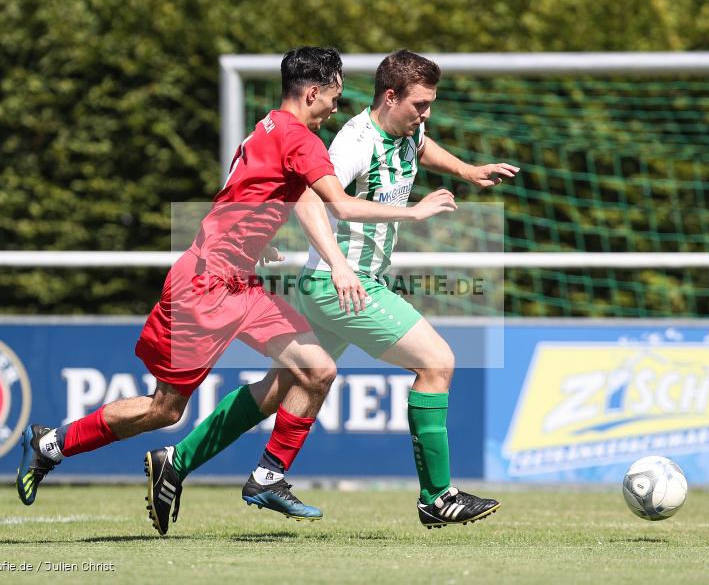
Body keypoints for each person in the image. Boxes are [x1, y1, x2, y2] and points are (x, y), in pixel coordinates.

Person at [15, 47, 456, 537]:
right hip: (203, 287)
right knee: (165, 409)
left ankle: (268, 477)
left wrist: (254, 241)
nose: (336, 108)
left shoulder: (264, 128)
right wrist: (414, 213)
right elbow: (342, 207)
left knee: (317, 370)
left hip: (239, 282)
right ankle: (51, 445)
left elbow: (239, 190)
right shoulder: (302, 140)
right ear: (312, 93)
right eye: (334, 97)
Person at [148, 49, 519, 531]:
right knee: (437, 363)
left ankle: (178, 461)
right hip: (342, 284)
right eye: (420, 105)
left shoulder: (408, 131)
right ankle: (437, 496)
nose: (426, 114)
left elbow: (423, 147)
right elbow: (309, 196)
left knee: (280, 387)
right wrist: (346, 261)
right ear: (390, 97)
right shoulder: (353, 142)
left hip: (334, 284)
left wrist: (467, 170)